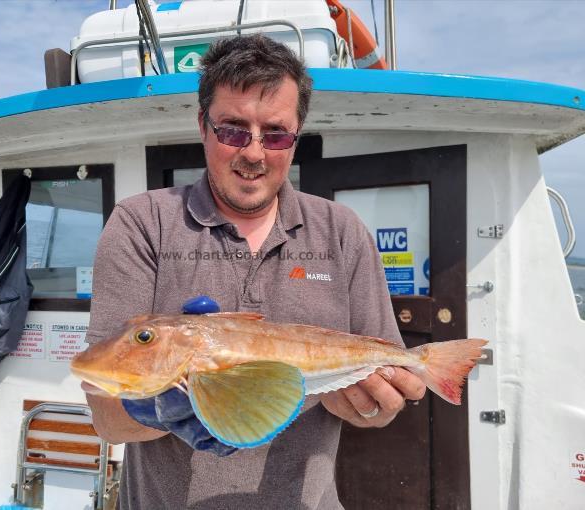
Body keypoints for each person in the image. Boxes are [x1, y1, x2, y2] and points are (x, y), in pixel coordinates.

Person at [83, 34, 426, 509]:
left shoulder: (342, 231)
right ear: (203, 126)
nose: (254, 153)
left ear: (296, 136)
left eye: (276, 134)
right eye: (233, 130)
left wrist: (370, 406)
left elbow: (376, 410)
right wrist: (161, 411)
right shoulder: (143, 224)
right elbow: (106, 419)